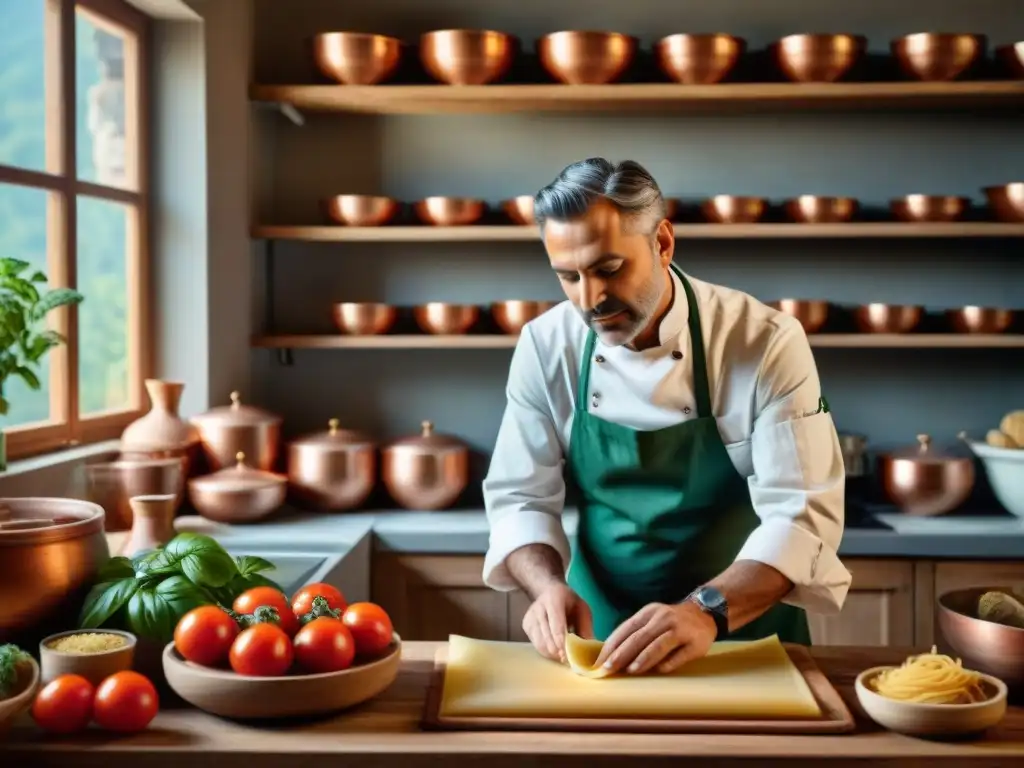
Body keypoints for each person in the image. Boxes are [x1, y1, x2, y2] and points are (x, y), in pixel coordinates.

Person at [482, 158, 851, 677]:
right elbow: (521, 498)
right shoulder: (546, 346)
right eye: (568, 276)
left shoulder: (764, 342)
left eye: (608, 269)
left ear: (662, 242)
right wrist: (546, 588)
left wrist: (705, 612)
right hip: (599, 631)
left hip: (738, 634)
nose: (590, 300)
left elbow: (802, 516)